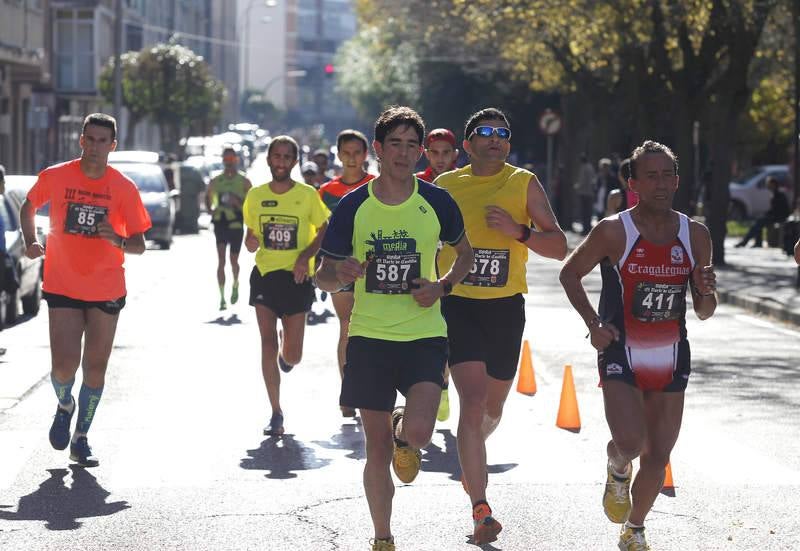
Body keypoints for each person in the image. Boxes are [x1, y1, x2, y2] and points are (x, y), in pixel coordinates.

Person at [315, 106, 473, 551]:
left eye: (411, 145)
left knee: (420, 434)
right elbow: (322, 276)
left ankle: (407, 428)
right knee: (376, 448)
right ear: (378, 150)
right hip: (368, 337)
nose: (404, 153)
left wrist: (441, 288)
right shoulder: (352, 206)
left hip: (423, 334)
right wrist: (341, 273)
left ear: (420, 152)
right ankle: (382, 537)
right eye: (395, 144)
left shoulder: (437, 201)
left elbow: (466, 254)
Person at [559, 140, 717, 551]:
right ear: (633, 183)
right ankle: (616, 467)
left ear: (678, 181)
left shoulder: (695, 234)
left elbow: (704, 310)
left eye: (668, 175)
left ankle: (635, 527)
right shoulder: (614, 230)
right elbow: (569, 274)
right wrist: (593, 324)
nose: (661, 183)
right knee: (630, 442)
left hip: (671, 353)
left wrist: (705, 291)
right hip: (620, 350)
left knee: (659, 454)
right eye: (651, 176)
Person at [436, 108, 566, 544]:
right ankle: (481, 508)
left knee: (492, 411)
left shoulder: (522, 183)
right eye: (485, 133)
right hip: (459, 307)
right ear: (467, 145)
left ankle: (471, 457)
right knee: (470, 407)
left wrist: (519, 231)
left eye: (503, 134)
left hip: (505, 308)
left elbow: (560, 246)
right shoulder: (445, 186)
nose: (495, 139)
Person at [19, 113, 151, 467]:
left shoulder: (123, 187)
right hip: (62, 283)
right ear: (81, 141)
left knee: (95, 369)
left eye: (102, 141)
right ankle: (65, 404)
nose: (95, 147)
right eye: (89, 139)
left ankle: (81, 438)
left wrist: (118, 240)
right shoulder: (57, 176)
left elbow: (140, 244)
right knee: (63, 367)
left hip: (106, 287)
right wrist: (31, 241)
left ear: (113, 145)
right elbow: (29, 205)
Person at [243, 135, 330, 437]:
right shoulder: (255, 196)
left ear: (294, 162)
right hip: (266, 275)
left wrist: (306, 256)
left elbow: (323, 227)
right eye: (275, 156)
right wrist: (251, 241)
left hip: (297, 279)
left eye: (286, 157)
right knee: (265, 342)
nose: (280, 162)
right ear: (268, 159)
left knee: (292, 357)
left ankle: (286, 352)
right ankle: (276, 412)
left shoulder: (307, 195)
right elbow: (251, 239)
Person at [318, 129, 375, 418]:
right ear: (339, 154)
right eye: (346, 152)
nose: (352, 158)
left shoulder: (376, 186)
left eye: (357, 152)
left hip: (373, 269)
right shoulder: (326, 191)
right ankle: (348, 393)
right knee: (346, 326)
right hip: (339, 267)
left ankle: (372, 389)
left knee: (370, 330)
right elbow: (321, 232)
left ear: (366, 155)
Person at [416, 127, 460, 422]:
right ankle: (426, 389)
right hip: (420, 273)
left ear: (456, 155)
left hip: (453, 275)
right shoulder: (415, 184)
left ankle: (443, 384)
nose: (440, 158)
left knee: (447, 338)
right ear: (425, 154)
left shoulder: (462, 184)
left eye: (446, 153)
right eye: (435, 153)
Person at [206, 146, 252, 310]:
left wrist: (237, 202)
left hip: (237, 224)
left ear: (236, 160)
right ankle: (222, 298)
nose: (229, 163)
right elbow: (208, 195)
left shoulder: (244, 181)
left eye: (231, 160)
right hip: (220, 223)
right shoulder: (216, 180)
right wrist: (211, 209)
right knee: (221, 260)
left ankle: (235, 283)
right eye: (226, 160)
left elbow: (251, 206)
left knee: (233, 260)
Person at [735, 176, 790, 248]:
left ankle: (746, 241)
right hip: (775, 216)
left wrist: (768, 214)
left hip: (779, 217)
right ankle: (756, 242)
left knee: (759, 222)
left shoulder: (779, 195)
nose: (768, 186)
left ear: (774, 185)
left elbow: (780, 210)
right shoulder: (774, 194)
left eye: (769, 184)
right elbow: (773, 210)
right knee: (759, 221)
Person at [575, 153, 596, 235]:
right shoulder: (591, 167)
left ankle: (585, 229)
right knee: (588, 212)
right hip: (590, 193)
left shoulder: (583, 168)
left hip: (584, 192)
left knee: (584, 212)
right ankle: (588, 228)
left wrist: (577, 186)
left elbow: (582, 180)